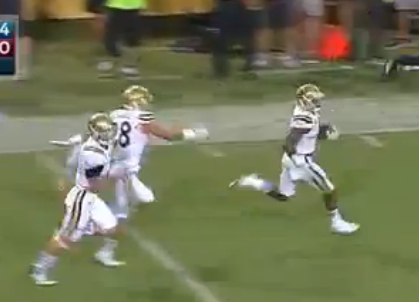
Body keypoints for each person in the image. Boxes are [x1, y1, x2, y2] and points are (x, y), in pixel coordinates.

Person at [228, 84, 360, 235]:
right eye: (314, 100)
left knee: (283, 196)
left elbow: (307, 133)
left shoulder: (305, 113)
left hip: (291, 160)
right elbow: (289, 142)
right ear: (304, 100)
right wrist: (299, 161)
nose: (317, 103)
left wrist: (322, 131)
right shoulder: (304, 118)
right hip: (301, 161)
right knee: (330, 190)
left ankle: (253, 182)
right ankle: (337, 222)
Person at [29, 113, 126, 286]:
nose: (110, 134)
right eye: (105, 131)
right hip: (82, 198)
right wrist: (114, 174)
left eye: (110, 130)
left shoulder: (98, 143)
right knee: (65, 240)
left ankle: (99, 249)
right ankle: (39, 269)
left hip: (91, 198)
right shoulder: (92, 154)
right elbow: (96, 184)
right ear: (96, 133)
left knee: (112, 228)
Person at [109, 85, 209, 219]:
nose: (146, 103)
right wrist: (193, 134)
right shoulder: (142, 117)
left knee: (124, 196)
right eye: (144, 100)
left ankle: (120, 213)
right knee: (145, 199)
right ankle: (114, 218)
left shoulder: (114, 115)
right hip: (126, 167)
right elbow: (168, 135)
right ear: (137, 101)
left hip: (112, 162)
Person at [98, 0, 146, 78]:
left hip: (122, 6)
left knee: (116, 36)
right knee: (121, 37)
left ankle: (123, 64)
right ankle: (125, 64)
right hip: (123, 6)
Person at [211, 0, 257, 77]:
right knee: (246, 36)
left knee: (220, 38)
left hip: (232, 7)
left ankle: (221, 70)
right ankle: (250, 64)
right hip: (235, 7)